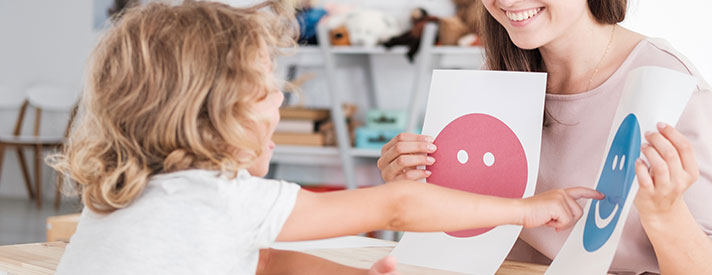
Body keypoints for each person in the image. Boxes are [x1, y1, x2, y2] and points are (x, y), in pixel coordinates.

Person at [48, 1, 604, 274]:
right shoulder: (222, 199)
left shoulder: (124, 196)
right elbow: (401, 202)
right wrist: (526, 210)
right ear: (209, 113)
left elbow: (265, 261)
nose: (282, 100)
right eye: (266, 91)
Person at [377, 0, 712, 274]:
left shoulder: (669, 85)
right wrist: (415, 182)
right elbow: (462, 229)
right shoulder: (500, 73)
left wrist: (665, 213)